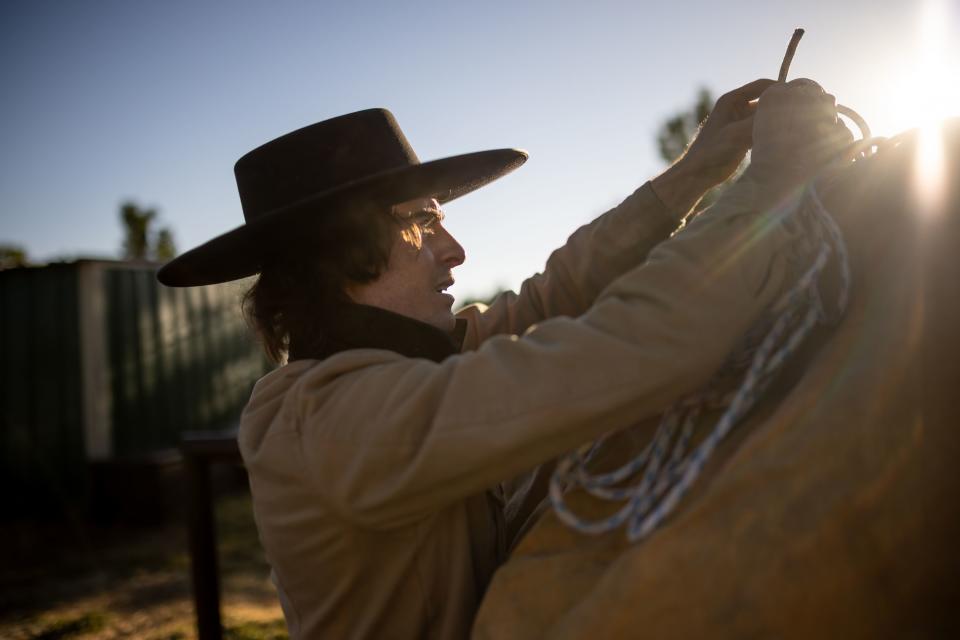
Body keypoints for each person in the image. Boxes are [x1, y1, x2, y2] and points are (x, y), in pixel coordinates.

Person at [158, 78, 851, 639]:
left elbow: (555, 297)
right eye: (422, 222)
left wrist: (697, 173)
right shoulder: (335, 421)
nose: (454, 249)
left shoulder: (385, 372)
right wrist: (769, 191)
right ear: (338, 255)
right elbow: (613, 356)